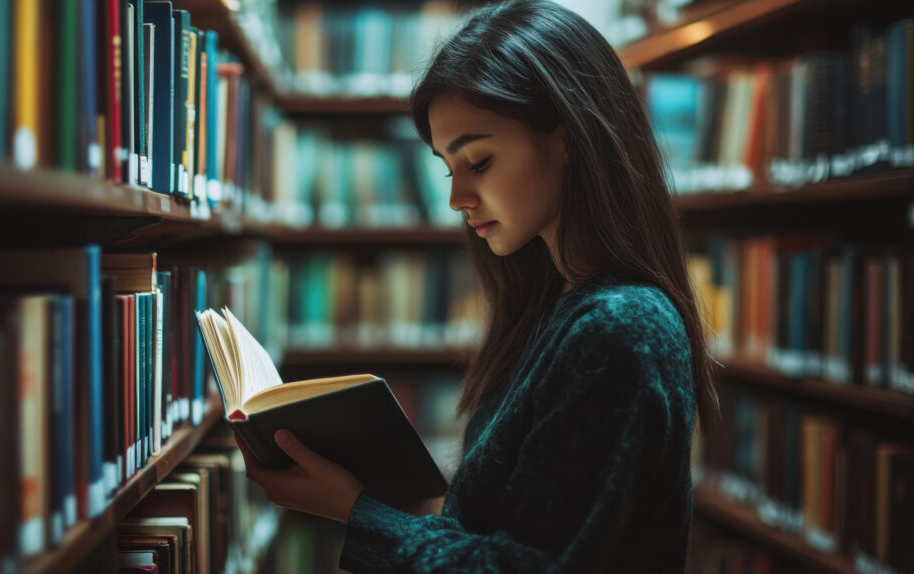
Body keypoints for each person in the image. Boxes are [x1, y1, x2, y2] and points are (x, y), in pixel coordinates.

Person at [238, 1, 722, 571]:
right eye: (449, 168)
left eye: (479, 161)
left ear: (568, 136)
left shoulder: (620, 327)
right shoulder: (558, 307)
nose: (455, 198)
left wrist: (356, 512)